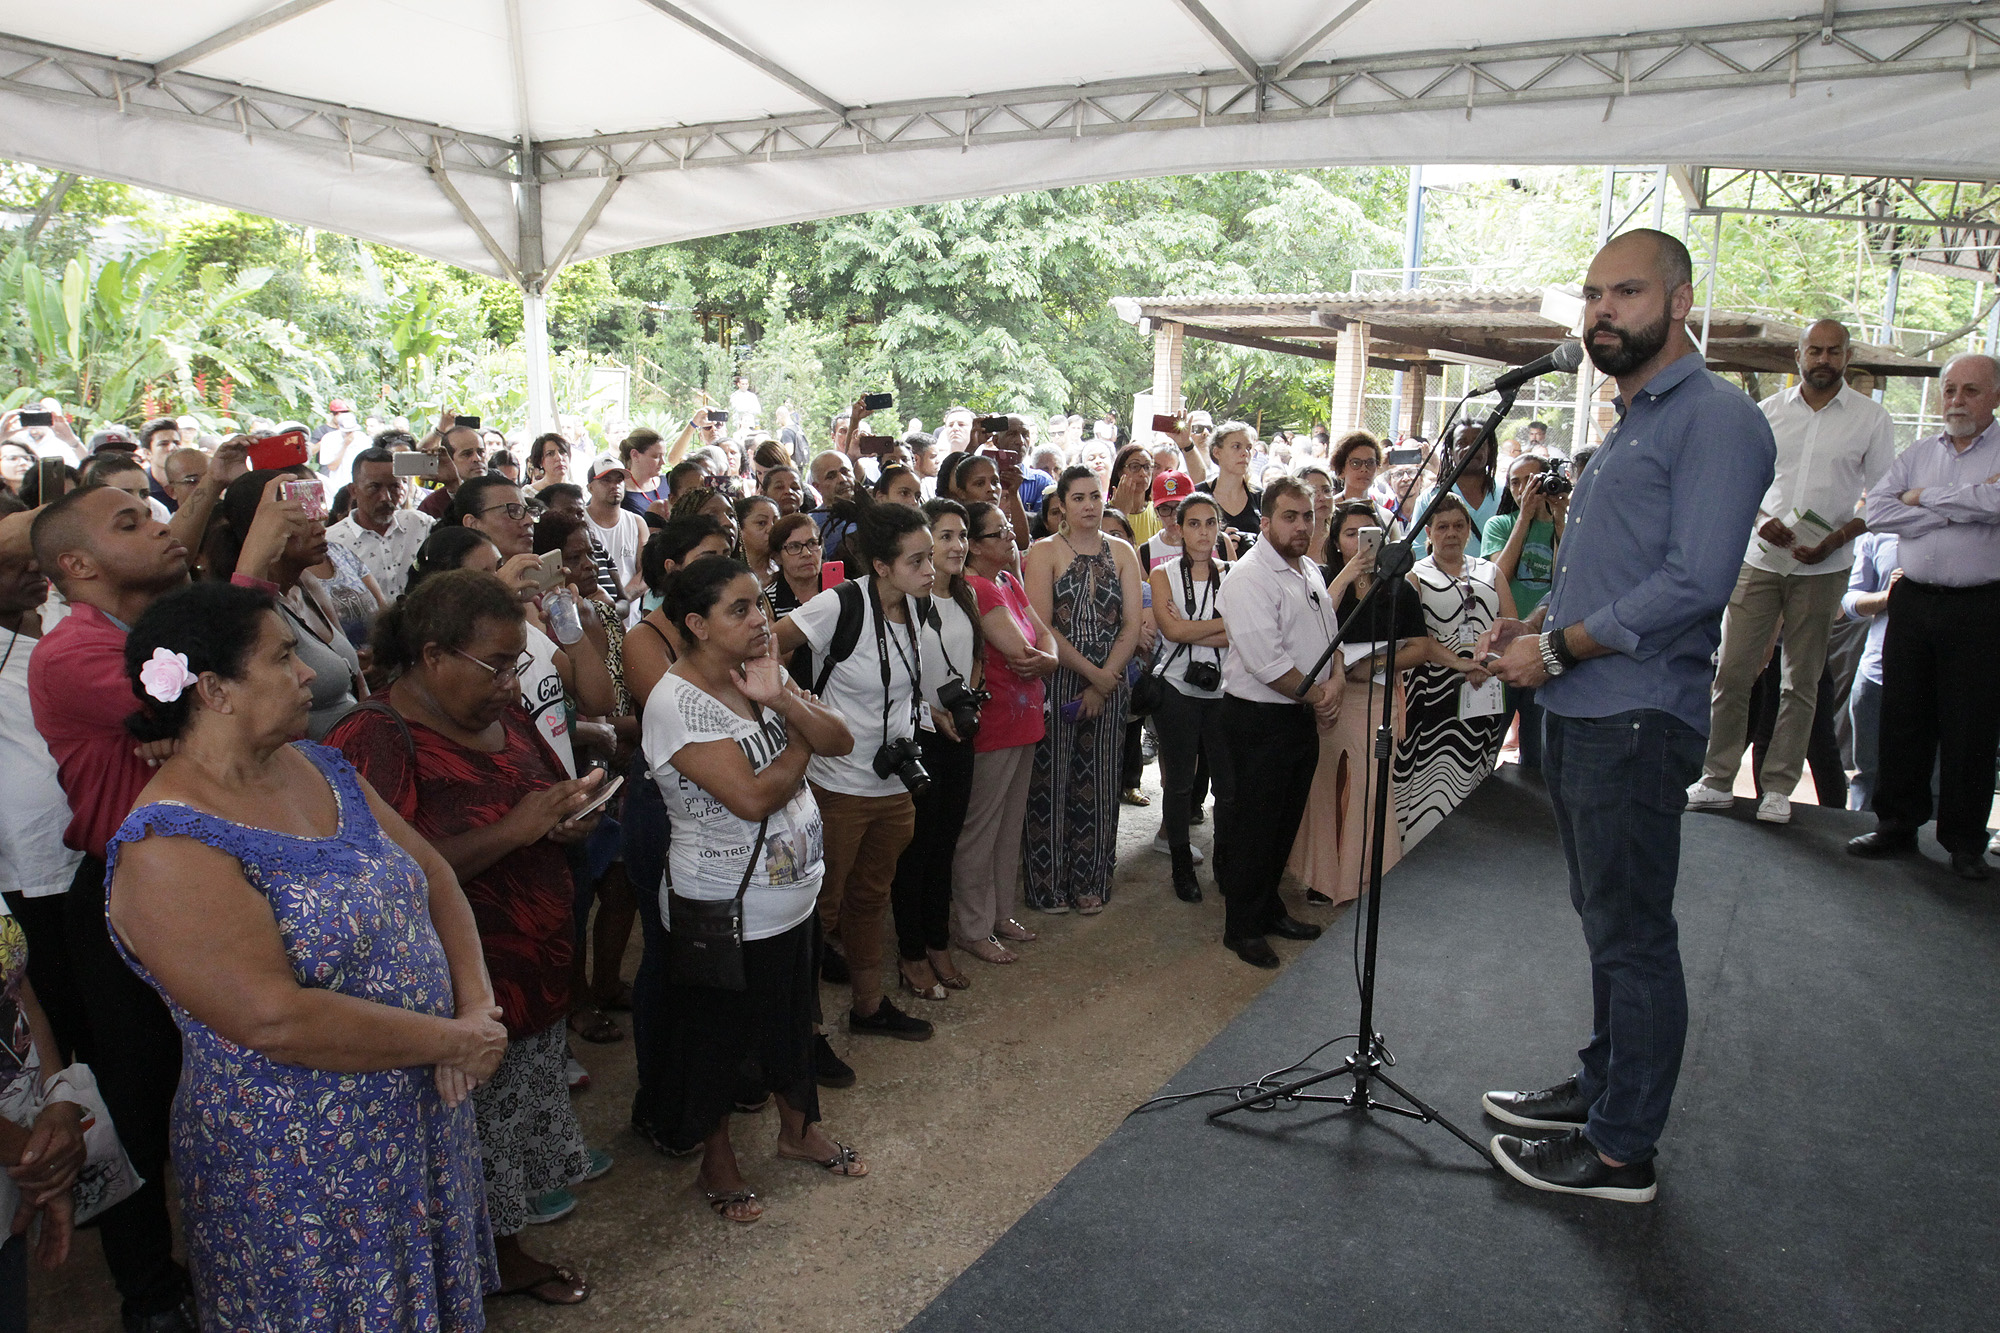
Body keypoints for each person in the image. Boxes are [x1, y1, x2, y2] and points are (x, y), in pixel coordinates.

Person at [104, 581, 501, 1327]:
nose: (309, 674)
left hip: (418, 1110)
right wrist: (454, 1037)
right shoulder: (169, 843)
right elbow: (274, 1019)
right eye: (283, 656)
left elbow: (434, 876)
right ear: (216, 689)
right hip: (301, 1162)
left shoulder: (319, 765)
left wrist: (474, 1006)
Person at [1479, 228, 1775, 1202]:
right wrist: (1529, 628)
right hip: (1581, 705)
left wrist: (1557, 648)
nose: (1601, 309)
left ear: (1679, 302)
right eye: (1591, 293)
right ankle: (1603, 1088)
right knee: (1604, 922)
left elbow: (1693, 582)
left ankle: (1619, 1151)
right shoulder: (1631, 419)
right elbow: (1610, 572)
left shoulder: (1716, 420)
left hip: (1633, 716)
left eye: (1626, 291)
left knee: (1632, 934)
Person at [329, 569, 609, 1301]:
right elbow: (381, 876)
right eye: (497, 663)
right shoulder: (376, 735)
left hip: (532, 973)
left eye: (518, 662)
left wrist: (567, 816)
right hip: (457, 990)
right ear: (431, 656)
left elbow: (539, 796)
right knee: (465, 1140)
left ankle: (501, 1246)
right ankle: (468, 1270)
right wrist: (517, 830)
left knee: (510, 1134)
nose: (512, 682)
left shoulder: (501, 714)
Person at [642, 557, 867, 1216]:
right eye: (738, 610)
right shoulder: (675, 701)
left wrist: (783, 700)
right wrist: (796, 733)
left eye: (759, 606)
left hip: (792, 895)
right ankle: (718, 1159)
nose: (758, 621)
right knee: (716, 1039)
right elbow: (751, 796)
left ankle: (798, 1130)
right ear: (696, 623)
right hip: (724, 906)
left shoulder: (764, 671)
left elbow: (842, 738)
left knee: (794, 1021)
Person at [28, 486, 201, 1329]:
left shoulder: (141, 632)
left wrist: (182, 718)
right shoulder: (71, 650)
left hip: (197, 878)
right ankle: (150, 1291)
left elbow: (190, 705)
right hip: (122, 888)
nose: (159, 525)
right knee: (136, 1095)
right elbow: (200, 701)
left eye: (153, 511)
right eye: (129, 522)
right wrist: (182, 716)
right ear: (78, 565)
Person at [1686, 319, 1897, 825]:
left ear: (1847, 356)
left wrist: (1837, 539)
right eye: (1814, 351)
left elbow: (1885, 497)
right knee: (1732, 671)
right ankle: (1716, 778)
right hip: (1759, 559)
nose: (1823, 360)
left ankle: (1778, 788)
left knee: (1800, 681)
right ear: (1797, 355)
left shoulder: (1870, 418)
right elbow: (1740, 481)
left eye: (1833, 352)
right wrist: (1762, 521)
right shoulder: (1768, 413)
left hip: (1826, 566)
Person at [770, 502, 936, 1041]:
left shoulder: (916, 605)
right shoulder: (838, 605)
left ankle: (867, 1008)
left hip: (893, 781)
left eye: (930, 556)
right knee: (820, 908)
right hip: (837, 786)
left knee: (870, 898)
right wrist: (794, 705)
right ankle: (804, 1032)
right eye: (917, 560)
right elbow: (767, 642)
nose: (930, 569)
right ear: (882, 566)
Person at [1849, 353, 2000, 880]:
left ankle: (1963, 842)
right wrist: (1968, 502)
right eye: (1950, 390)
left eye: (1971, 391)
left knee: (1971, 725)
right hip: (1911, 601)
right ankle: (1896, 825)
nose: (1956, 400)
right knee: (1903, 716)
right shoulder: (1917, 452)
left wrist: (1922, 501)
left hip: (1981, 606)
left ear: (1996, 396)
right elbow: (1877, 512)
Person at [1212, 478, 1338, 967]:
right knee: (1252, 829)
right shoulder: (1248, 577)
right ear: (1265, 523)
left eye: (1307, 516)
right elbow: (1267, 664)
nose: (1302, 525)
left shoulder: (1308, 568)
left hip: (1298, 716)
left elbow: (1330, 637)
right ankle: (1241, 928)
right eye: (1290, 516)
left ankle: (1268, 909)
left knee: (1283, 824)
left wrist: (1335, 686)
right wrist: (1319, 697)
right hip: (1257, 720)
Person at [1021, 467, 1143, 914]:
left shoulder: (1124, 551)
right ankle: (1048, 885)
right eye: (1078, 498)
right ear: (1063, 505)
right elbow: (1043, 625)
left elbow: (1132, 625)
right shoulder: (1045, 551)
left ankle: (1090, 880)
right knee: (1050, 784)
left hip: (1111, 681)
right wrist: (1092, 674)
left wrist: (1106, 678)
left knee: (1102, 781)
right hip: (1060, 677)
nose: (1089, 505)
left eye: (1095, 496)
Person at [954, 502, 1057, 963]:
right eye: (998, 533)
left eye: (1008, 529)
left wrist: (1049, 657)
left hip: (1025, 719)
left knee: (1008, 826)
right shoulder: (976, 588)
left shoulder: (1007, 580)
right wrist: (1044, 656)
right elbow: (1021, 650)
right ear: (974, 547)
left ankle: (998, 914)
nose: (1011, 536)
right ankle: (972, 926)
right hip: (995, 724)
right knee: (981, 829)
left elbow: (1044, 637)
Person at [888, 500, 981, 1000]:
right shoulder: (907, 603)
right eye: (944, 536)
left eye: (962, 535)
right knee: (916, 851)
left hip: (960, 734)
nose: (956, 546)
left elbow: (973, 660)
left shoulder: (963, 594)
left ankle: (939, 941)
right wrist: (932, 713)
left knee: (945, 845)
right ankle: (912, 951)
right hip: (920, 736)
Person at [207, 471, 364, 740]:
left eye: (316, 512)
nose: (318, 527)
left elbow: (357, 678)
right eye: (299, 518)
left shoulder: (307, 585)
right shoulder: (245, 610)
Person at [1395, 495, 1514, 846]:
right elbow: (1415, 638)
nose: (1451, 534)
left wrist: (1487, 664)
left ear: (1468, 530)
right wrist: (1460, 664)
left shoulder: (1489, 571)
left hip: (1484, 688)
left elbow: (1511, 626)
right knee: (1426, 773)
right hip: (1432, 691)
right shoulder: (1415, 576)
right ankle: (1418, 845)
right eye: (1442, 527)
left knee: (1477, 767)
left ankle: (1469, 852)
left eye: (1459, 526)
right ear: (1428, 532)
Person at [1146, 492, 1231, 903]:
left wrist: (1195, 626)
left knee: (1226, 782)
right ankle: (1181, 862)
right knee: (1179, 782)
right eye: (1193, 523)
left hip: (1222, 690)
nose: (1202, 532)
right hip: (1177, 687)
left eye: (1210, 522)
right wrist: (1219, 626)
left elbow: (1241, 632)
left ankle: (1226, 865)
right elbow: (1172, 632)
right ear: (1179, 529)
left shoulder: (1231, 573)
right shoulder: (1161, 574)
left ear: (1218, 527)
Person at [1482, 454, 1566, 772]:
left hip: (1545, 647)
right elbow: (1497, 575)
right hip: (1501, 645)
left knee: (1538, 750)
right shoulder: (1500, 524)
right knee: (1489, 739)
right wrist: (1524, 519)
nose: (1522, 489)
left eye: (1531, 481)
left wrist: (1558, 520)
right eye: (1515, 481)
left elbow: (1563, 581)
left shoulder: (1562, 524)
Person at [1840, 529, 1899, 813]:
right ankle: (1860, 835)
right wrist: (1887, 597)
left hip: (1940, 672)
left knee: (1935, 779)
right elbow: (1850, 602)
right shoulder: (1879, 535)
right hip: (1876, 670)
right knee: (1868, 773)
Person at [326, 447, 433, 601]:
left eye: (394, 487)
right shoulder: (332, 543)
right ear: (353, 490)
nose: (385, 497)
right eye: (374, 487)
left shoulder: (419, 524)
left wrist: (452, 481)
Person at [1411, 427, 1501, 558]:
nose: (1470, 448)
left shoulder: (1507, 494)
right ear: (1451, 451)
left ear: (1490, 449)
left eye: (1479, 442)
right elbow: (1419, 551)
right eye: (1461, 443)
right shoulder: (1430, 497)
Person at [584, 457, 649, 600]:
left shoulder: (637, 523)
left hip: (630, 618)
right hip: (592, 613)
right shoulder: (579, 522)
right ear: (590, 488)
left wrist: (623, 599)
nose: (614, 485)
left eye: (619, 480)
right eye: (606, 480)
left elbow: (645, 572)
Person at [1197, 421, 1261, 546]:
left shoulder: (1260, 497)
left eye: (1248, 448)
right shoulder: (1199, 494)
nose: (1245, 453)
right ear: (1217, 452)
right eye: (1236, 446)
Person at [1106, 444, 1159, 545]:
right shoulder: (1106, 512)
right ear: (1120, 472)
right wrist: (1120, 511)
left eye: (1147, 467)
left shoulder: (1158, 511)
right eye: (1135, 467)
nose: (1143, 473)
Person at [618, 430, 669, 515]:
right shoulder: (619, 492)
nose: (663, 462)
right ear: (635, 455)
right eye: (656, 456)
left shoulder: (668, 482)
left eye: (664, 456)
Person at [736, 492, 780, 584]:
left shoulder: (786, 571)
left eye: (776, 522)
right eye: (761, 523)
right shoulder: (730, 574)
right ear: (740, 529)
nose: (771, 529)